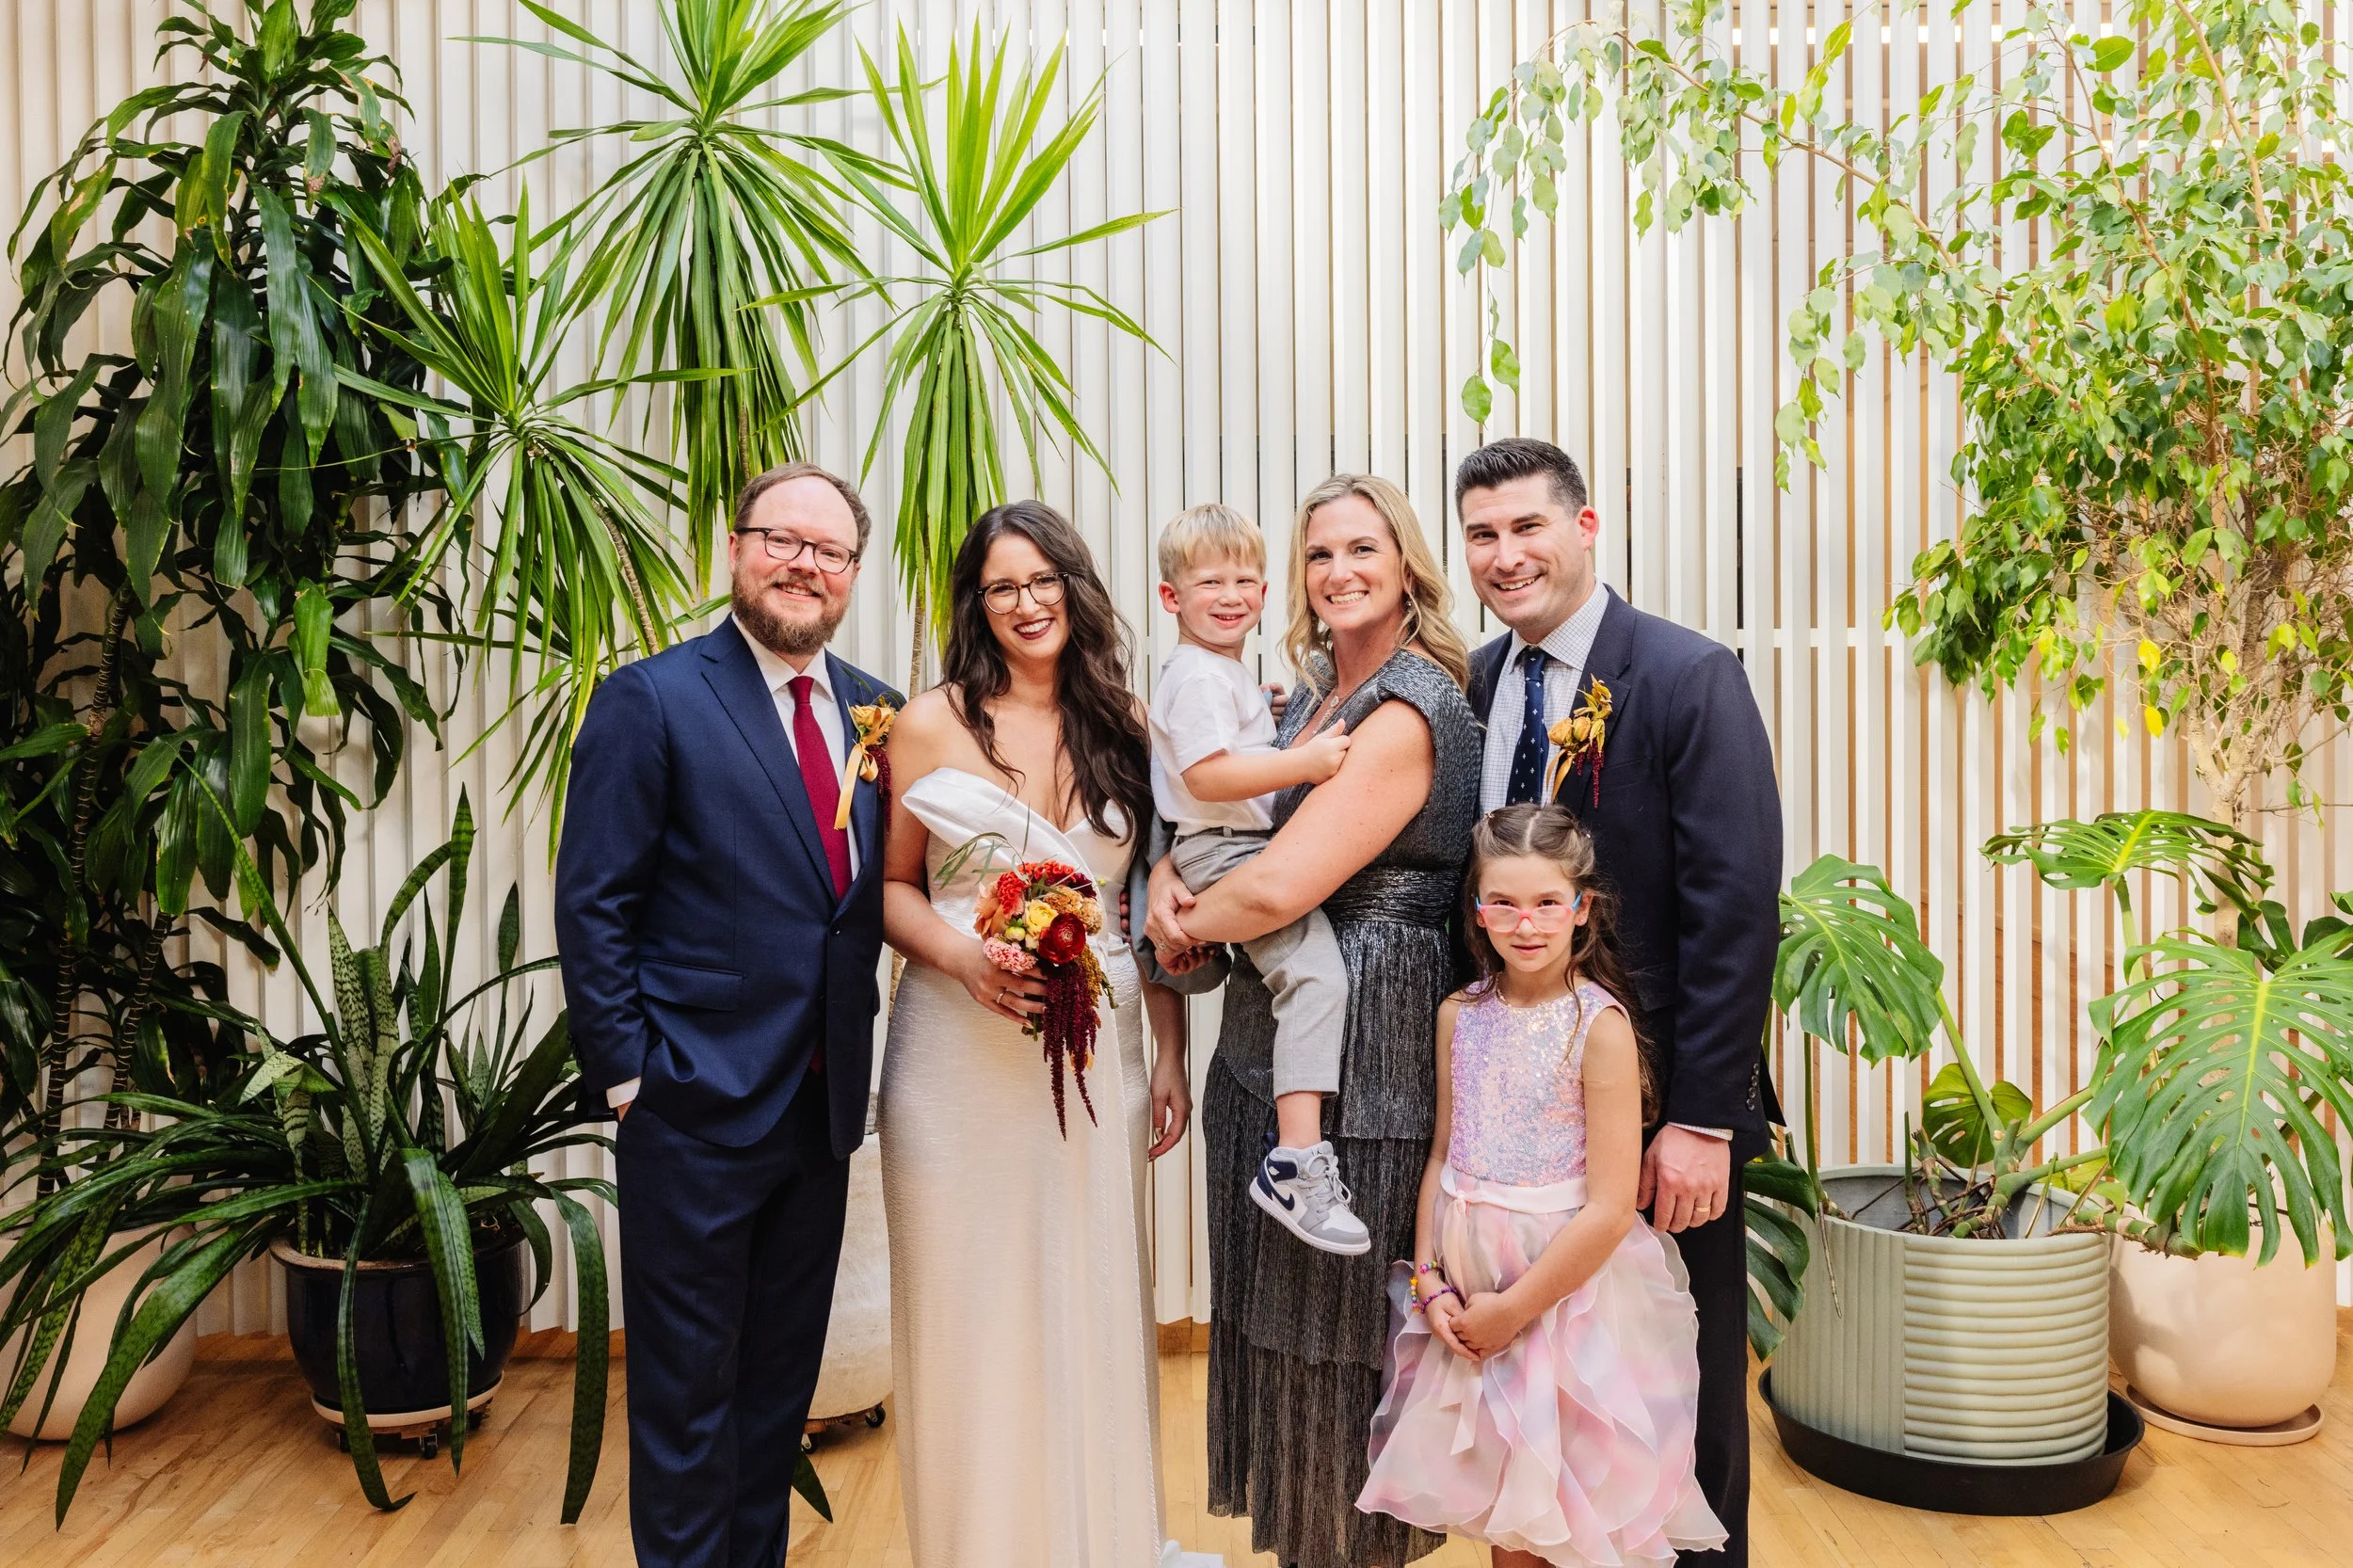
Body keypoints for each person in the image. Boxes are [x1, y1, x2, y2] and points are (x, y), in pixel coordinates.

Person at [555, 462, 901, 1568]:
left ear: (852, 572)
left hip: (820, 1113)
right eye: (782, 540)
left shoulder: (877, 710)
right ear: (737, 548)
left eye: (829, 551)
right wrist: (631, 1079)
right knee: (687, 1400)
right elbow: (594, 903)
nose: (804, 565)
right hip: (691, 1109)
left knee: (773, 1398)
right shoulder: (651, 699)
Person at [1456, 437, 1781, 1568]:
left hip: (1658, 1110)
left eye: (1527, 526)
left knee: (1676, 1390)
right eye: (1482, 534)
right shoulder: (1478, 683)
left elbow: (1735, 910)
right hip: (1522, 1113)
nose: (1505, 555)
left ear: (1585, 527)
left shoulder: (1688, 676)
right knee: (1550, 1403)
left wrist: (1700, 1118)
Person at [1146, 473, 1481, 1568]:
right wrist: (1167, 869)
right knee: (1278, 1340)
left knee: (1344, 1344)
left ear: (1407, 565)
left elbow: (1282, 885)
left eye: (1361, 549)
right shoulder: (1302, 698)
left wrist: (1168, 924)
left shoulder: (1407, 704)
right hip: (1267, 1051)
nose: (1338, 571)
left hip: (1369, 1056)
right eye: (1319, 553)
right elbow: (1215, 814)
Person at [878, 500, 1214, 1568]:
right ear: (976, 604)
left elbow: (1147, 904)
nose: (1026, 603)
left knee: (1089, 1293)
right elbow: (891, 889)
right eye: (1002, 587)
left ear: (1075, 586)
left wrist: (1170, 1051)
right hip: (954, 1054)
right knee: (967, 1307)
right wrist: (966, 959)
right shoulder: (928, 723)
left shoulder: (1127, 723)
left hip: (1098, 1048)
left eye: (1043, 580)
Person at [1357, 805, 1727, 1566]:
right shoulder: (1459, 1014)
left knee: (1571, 1513)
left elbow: (1611, 1207)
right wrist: (1430, 1281)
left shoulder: (1599, 1026)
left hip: (1563, 1296)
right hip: (1468, 1287)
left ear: (1582, 908)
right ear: (1477, 910)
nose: (1526, 925)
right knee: (1511, 1517)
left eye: (1547, 903)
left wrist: (1515, 1310)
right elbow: (1442, 1155)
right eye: (1504, 904)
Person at [1148, 503, 1366, 1256]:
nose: (1231, 595)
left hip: (1223, 844)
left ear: (1268, 592)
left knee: (1304, 977)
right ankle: (1296, 1163)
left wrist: (1264, 722)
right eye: (1210, 582)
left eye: (1246, 580)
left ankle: (1297, 1153)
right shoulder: (1199, 678)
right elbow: (1208, 777)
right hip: (1225, 851)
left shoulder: (1220, 674)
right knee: (1314, 977)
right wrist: (1301, 761)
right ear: (1171, 597)